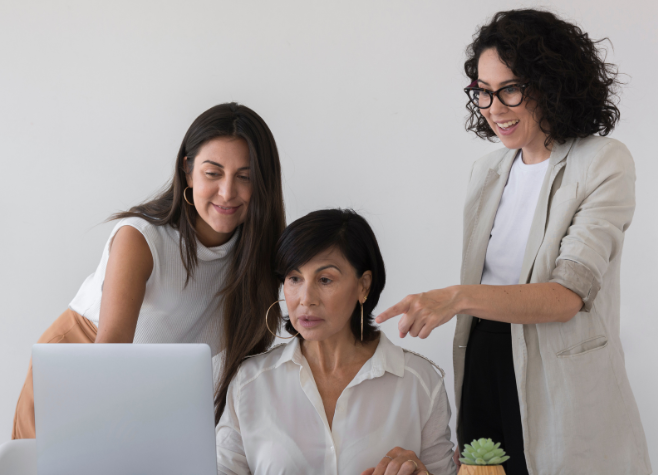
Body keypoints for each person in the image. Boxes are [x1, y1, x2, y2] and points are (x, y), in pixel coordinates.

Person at [376, 9, 651, 475]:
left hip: (558, 376)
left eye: (510, 89)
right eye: (483, 92)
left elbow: (567, 296)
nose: (494, 108)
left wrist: (455, 298)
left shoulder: (603, 162)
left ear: (553, 83)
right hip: (485, 359)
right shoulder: (487, 171)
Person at [12, 102, 286, 439]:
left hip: (149, 387)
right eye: (212, 173)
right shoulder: (142, 238)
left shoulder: (260, 256)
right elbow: (110, 352)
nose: (227, 192)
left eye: (245, 177)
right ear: (187, 171)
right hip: (81, 364)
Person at [215, 209, 456, 475]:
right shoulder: (250, 382)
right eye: (294, 278)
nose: (306, 298)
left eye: (325, 279)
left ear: (363, 286)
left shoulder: (420, 382)